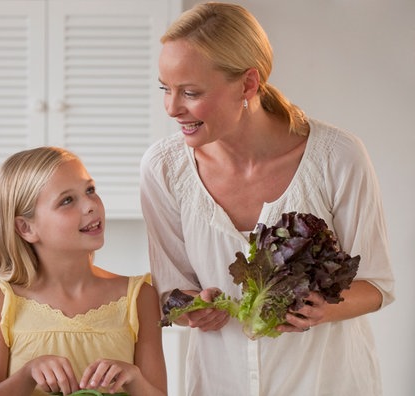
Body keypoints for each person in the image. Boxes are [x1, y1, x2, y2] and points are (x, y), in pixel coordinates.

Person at [140, 2, 395, 396]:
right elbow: (170, 291)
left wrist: (323, 309)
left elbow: (377, 284)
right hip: (218, 384)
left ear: (247, 84)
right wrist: (193, 307)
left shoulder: (337, 157)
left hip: (327, 384)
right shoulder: (163, 168)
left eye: (190, 92)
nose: (172, 108)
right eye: (164, 89)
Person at [0, 146, 167, 396]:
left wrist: (133, 378)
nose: (90, 205)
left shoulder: (139, 296)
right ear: (26, 228)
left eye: (90, 190)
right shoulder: (0, 298)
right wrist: (28, 374)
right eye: (67, 200)